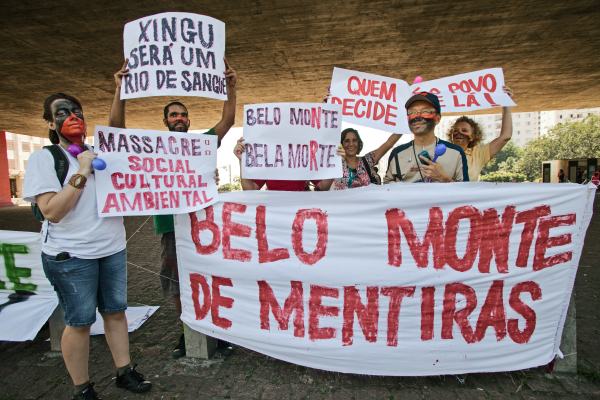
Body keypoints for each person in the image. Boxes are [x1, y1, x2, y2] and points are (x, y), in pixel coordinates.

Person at [23, 93, 151, 400]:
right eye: (62, 112)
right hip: (71, 256)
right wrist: (81, 171)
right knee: (79, 322)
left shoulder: (98, 152)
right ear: (50, 122)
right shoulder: (46, 158)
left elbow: (117, 131)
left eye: (76, 111)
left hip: (112, 249)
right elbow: (52, 211)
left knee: (116, 312)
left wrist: (119, 91)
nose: (72, 116)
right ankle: (82, 388)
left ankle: (125, 371)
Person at [109, 59, 238, 358]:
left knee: (210, 280)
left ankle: (214, 332)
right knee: (179, 285)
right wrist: (120, 91)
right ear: (165, 121)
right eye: (173, 115)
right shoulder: (152, 145)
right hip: (170, 229)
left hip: (204, 226)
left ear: (189, 121)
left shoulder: (200, 144)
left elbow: (226, 122)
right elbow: (116, 130)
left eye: (183, 114)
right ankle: (188, 333)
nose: (179, 118)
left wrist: (231, 88)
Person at [385, 92, 469, 183]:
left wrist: (444, 178)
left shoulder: (456, 152)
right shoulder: (397, 153)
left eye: (425, 111)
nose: (417, 116)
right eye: (412, 112)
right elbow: (387, 188)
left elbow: (465, 192)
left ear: (437, 119)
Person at [447, 86, 514, 181]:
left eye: (464, 130)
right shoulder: (441, 152)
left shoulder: (479, 154)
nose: (459, 133)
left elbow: (505, 136)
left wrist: (506, 105)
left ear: (473, 136)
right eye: (455, 130)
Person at [233, 137, 337, 191]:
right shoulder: (269, 157)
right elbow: (250, 189)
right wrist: (242, 160)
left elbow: (323, 186)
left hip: (300, 214)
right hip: (275, 216)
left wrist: (335, 160)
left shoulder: (304, 156)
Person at [330, 128, 401, 190]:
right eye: (347, 141)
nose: (351, 144)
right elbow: (322, 187)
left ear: (359, 143)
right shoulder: (335, 165)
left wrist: (403, 125)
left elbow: (389, 143)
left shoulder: (368, 160)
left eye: (354, 140)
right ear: (341, 144)